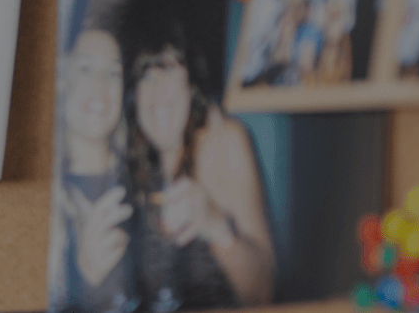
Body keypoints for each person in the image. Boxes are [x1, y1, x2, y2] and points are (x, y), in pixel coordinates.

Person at [122, 24, 274, 310]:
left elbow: (261, 291)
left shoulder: (222, 142)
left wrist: (217, 228)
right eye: (146, 75)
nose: (157, 89)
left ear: (190, 84)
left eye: (169, 69)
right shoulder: (135, 167)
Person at [52, 27, 138, 313]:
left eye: (113, 72)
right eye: (86, 68)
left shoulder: (142, 181)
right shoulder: (39, 198)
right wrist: (85, 278)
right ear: (62, 80)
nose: (100, 85)